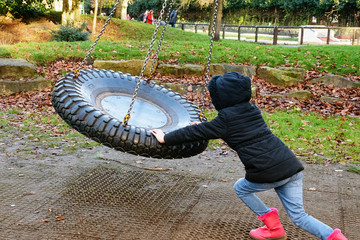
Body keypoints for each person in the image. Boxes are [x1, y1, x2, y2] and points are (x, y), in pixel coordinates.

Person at [152, 72, 348, 240]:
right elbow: (223, 128)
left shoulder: (225, 120)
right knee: (299, 216)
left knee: (241, 188)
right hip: (290, 166)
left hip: (266, 171)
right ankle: (335, 237)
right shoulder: (252, 110)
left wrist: (165, 138)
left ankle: (273, 226)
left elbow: (197, 132)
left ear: (221, 99)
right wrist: (204, 128)